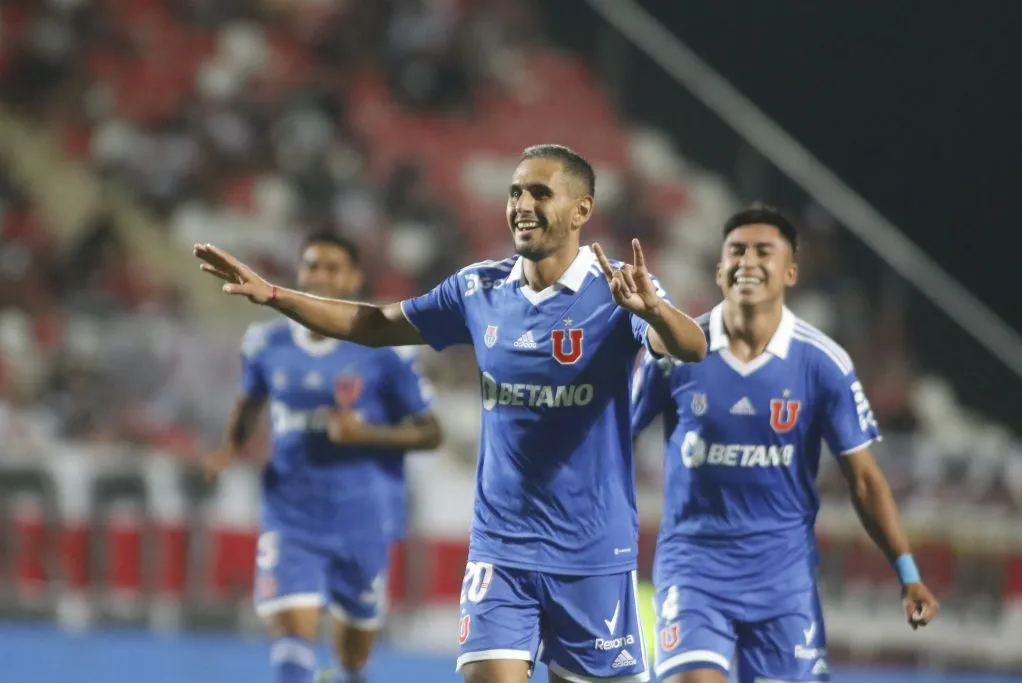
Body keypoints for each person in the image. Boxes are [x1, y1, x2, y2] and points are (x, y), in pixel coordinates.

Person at [194, 143, 708, 683]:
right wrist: (275, 295)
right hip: (501, 548)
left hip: (593, 552)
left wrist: (656, 310)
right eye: (514, 193)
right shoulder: (477, 288)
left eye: (540, 192)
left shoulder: (618, 288)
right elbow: (375, 325)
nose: (522, 205)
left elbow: (689, 346)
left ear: (582, 210)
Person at [631, 204, 940, 683]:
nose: (748, 261)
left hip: (783, 583)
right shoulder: (674, 349)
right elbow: (612, 437)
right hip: (694, 571)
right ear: (718, 268)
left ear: (791, 271)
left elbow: (864, 479)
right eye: (736, 250)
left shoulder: (822, 363)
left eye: (763, 251)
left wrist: (908, 573)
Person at [202, 232, 443, 683]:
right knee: (292, 641)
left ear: (353, 278)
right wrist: (227, 450)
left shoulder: (384, 348)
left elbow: (431, 433)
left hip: (364, 518)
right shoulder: (266, 342)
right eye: (312, 265)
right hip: (290, 514)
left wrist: (365, 433)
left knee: (352, 660)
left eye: (333, 267)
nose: (319, 275)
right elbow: (249, 401)